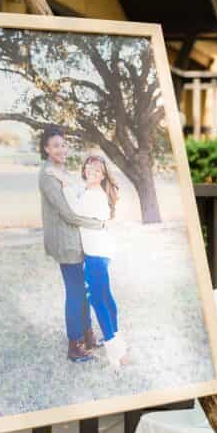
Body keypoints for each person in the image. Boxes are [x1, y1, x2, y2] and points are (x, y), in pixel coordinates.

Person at [37, 127, 105, 363]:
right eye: (55, 145)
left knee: (82, 289)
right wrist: (98, 224)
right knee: (76, 292)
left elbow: (77, 196)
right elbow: (68, 214)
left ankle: (87, 336)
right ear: (46, 148)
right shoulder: (47, 175)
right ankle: (74, 345)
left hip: (76, 239)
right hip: (66, 242)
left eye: (63, 144)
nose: (62, 149)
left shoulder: (59, 170)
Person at [55, 154, 128, 368]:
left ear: (103, 175)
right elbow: (82, 197)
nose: (91, 172)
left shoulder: (94, 194)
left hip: (96, 253)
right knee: (105, 296)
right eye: (89, 167)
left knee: (97, 300)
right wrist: (70, 182)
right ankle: (117, 339)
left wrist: (65, 184)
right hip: (102, 250)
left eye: (96, 171)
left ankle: (117, 352)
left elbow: (75, 211)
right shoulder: (92, 191)